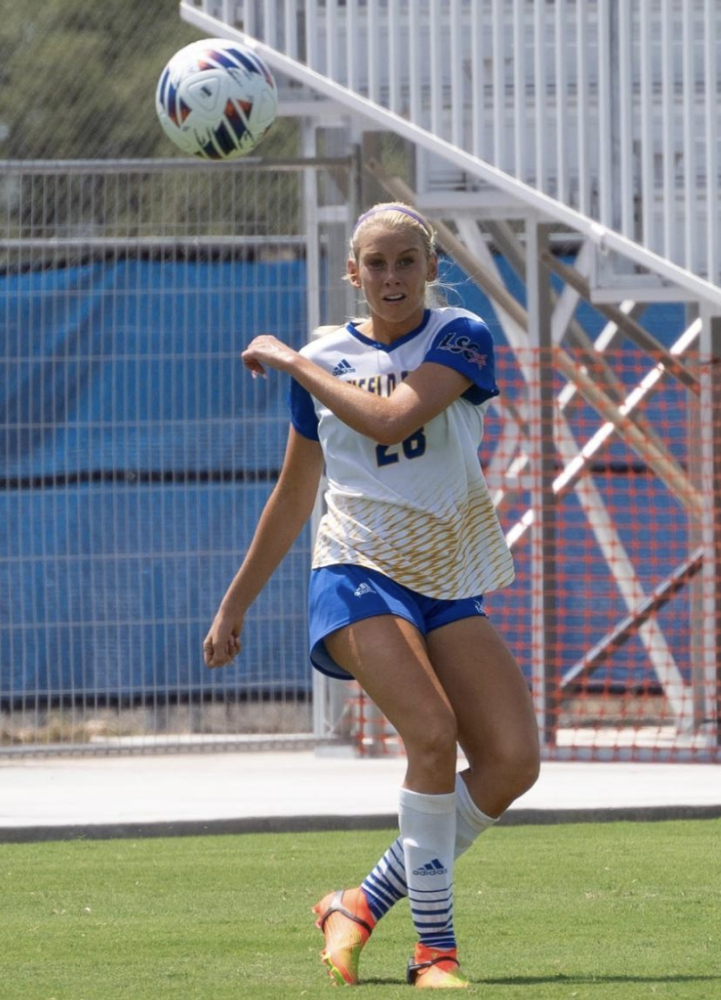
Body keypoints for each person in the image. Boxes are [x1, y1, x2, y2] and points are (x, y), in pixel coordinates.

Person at [203, 202, 540, 989]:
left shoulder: (460, 334)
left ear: (429, 269)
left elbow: (392, 420)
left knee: (513, 760)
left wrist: (294, 363)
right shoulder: (324, 356)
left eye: (406, 262)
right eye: (376, 264)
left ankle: (357, 902)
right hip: (355, 571)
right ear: (352, 274)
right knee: (432, 734)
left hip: (446, 575)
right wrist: (234, 602)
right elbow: (293, 498)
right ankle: (435, 956)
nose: (392, 277)